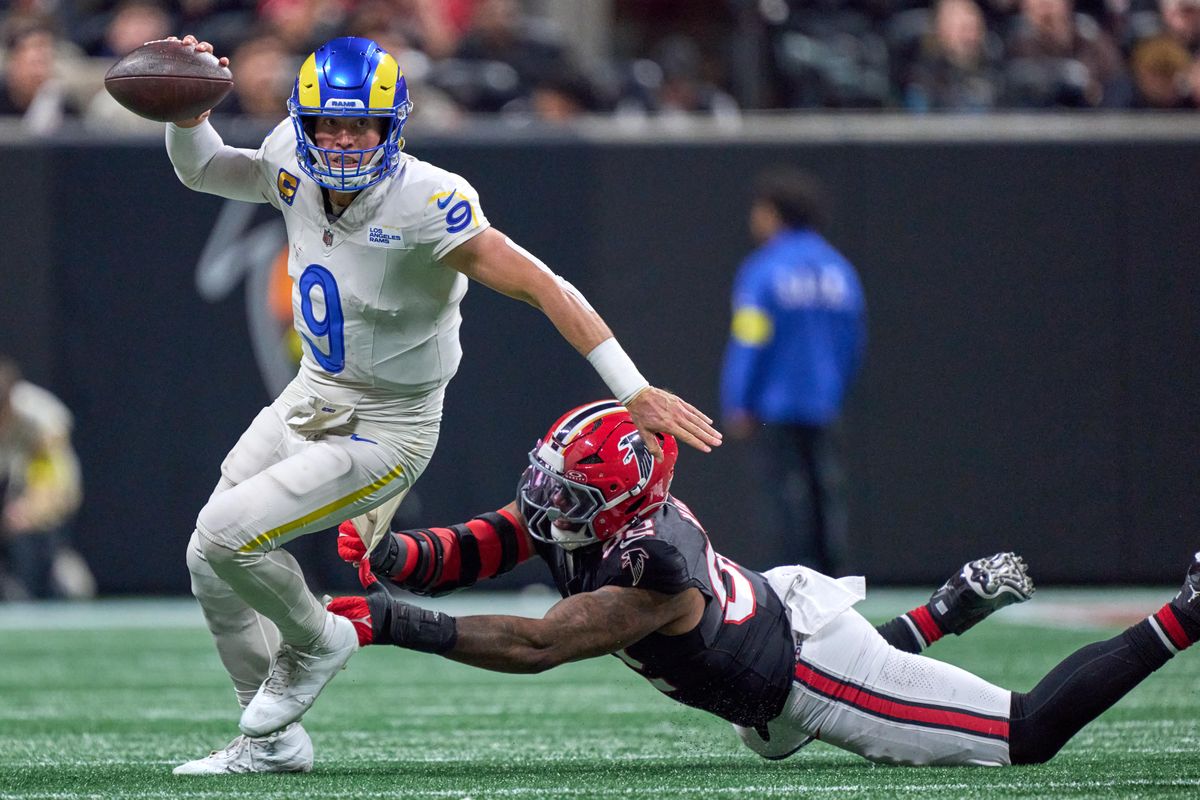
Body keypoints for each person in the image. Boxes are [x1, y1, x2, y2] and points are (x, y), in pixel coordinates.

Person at [164, 35, 722, 775]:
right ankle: (268, 738)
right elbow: (203, 167)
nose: (340, 138)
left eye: (360, 124)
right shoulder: (289, 159)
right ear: (303, 123)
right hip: (313, 396)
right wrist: (185, 113)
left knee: (227, 531)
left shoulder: (428, 201)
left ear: (392, 127)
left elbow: (543, 285)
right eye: (327, 123)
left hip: (390, 424)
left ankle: (319, 639)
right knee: (208, 558)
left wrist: (632, 386)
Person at [330, 399, 1198, 769]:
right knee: (792, 730)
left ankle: (1188, 610)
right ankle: (948, 608)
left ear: (623, 503)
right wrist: (392, 557)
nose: (547, 504)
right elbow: (487, 541)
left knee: (1026, 734)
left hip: (808, 674)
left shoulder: (653, 567)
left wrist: (388, 621)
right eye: (550, 481)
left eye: (571, 494)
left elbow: (539, 641)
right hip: (763, 672)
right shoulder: (594, 511)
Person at [719, 168, 865, 576]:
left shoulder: (764, 270)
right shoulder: (838, 270)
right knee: (825, 493)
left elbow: (749, 339)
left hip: (774, 405)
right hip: (824, 403)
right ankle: (832, 577)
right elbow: (853, 340)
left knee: (781, 497)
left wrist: (739, 399)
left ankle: (790, 578)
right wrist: (835, 389)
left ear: (772, 213)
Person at [0, 356, 90, 600]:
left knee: (37, 550)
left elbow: (56, 483)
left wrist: (30, 509)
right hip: (11, 482)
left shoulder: (40, 418)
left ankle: (60, 571)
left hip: (42, 489)